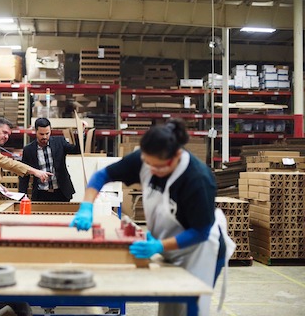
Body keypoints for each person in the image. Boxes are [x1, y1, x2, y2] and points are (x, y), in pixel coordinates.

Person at [69, 118, 235, 316]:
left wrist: (159, 246)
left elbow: (200, 232)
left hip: (200, 250)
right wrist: (86, 206)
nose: (151, 170)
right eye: (148, 164)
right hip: (172, 246)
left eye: (157, 167)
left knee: (190, 308)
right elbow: (102, 175)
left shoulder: (198, 180)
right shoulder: (146, 159)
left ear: (175, 157)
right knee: (170, 308)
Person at [19, 117, 80, 202]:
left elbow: (76, 150)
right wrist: (22, 196)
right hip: (41, 194)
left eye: (47, 133)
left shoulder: (59, 142)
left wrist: (80, 133)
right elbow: (24, 174)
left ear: (50, 131)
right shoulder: (29, 150)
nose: (45, 137)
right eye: (41, 134)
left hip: (61, 192)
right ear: (35, 131)